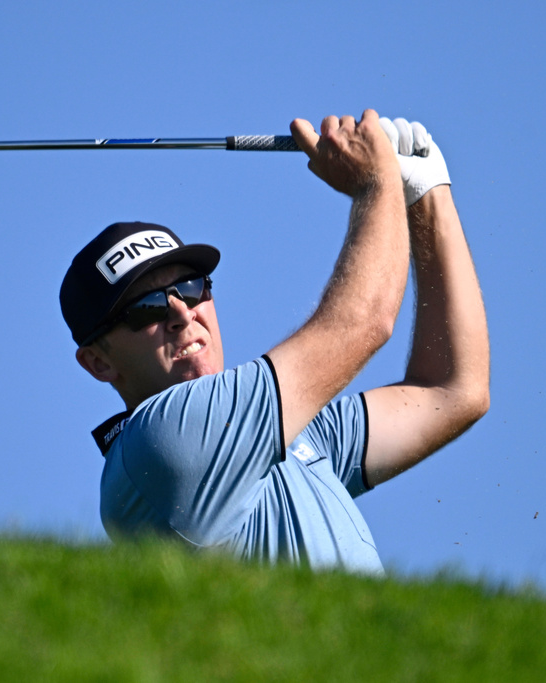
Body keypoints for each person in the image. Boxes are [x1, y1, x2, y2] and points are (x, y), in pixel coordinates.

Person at [58, 109, 489, 573]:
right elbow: (361, 325)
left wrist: (427, 195)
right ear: (99, 363)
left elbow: (453, 391)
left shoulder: (289, 434)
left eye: (191, 288)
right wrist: (376, 183)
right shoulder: (158, 441)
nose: (182, 313)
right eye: (146, 308)